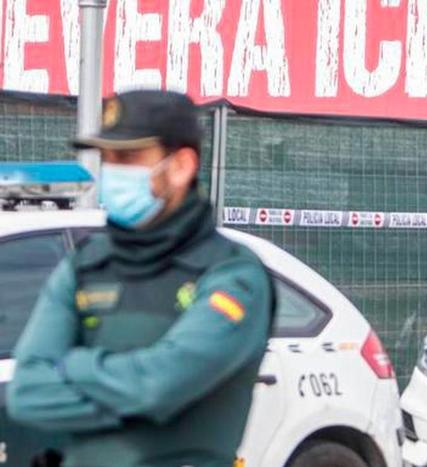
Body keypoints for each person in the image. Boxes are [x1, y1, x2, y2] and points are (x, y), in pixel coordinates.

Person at [7, 90, 274, 467]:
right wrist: (139, 399)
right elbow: (27, 394)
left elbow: (158, 386)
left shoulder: (231, 274)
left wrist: (74, 366)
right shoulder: (84, 267)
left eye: (129, 157)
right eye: (108, 157)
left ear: (180, 166)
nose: (112, 170)